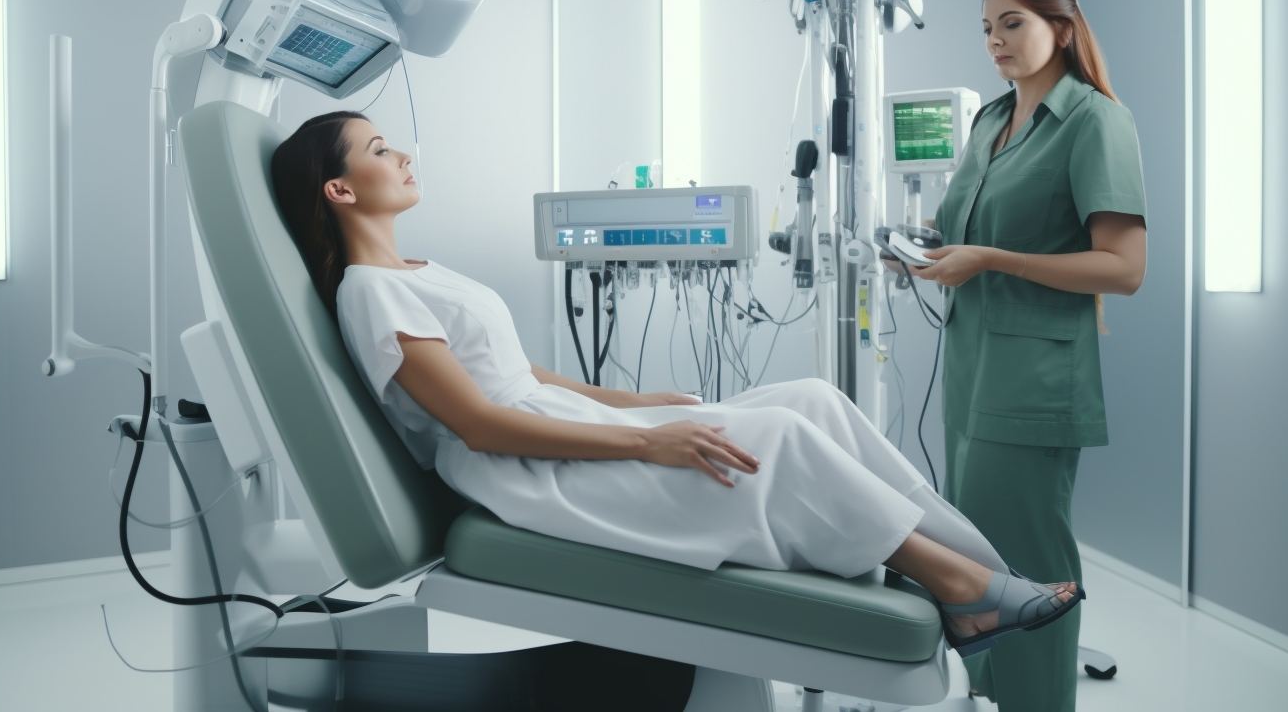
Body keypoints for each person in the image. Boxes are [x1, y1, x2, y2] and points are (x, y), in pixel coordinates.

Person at [269, 108, 1085, 659]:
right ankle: (960, 585)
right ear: (340, 191)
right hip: (530, 473)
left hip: (557, 429)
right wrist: (646, 440)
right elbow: (481, 424)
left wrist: (645, 402)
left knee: (810, 399)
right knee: (779, 438)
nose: (402, 155)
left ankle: (968, 566)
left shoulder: (416, 269)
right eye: (379, 151)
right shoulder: (371, 292)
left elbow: (521, 375)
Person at [910, 0, 1148, 711]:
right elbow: (965, 234)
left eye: (1013, 22)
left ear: (1062, 30)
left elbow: (1124, 267)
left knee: (1031, 569)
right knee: (978, 557)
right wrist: (922, 246)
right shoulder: (987, 122)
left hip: (1036, 381)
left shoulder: (1094, 121)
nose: (995, 40)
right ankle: (989, 691)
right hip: (972, 371)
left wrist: (991, 259)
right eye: (986, 27)